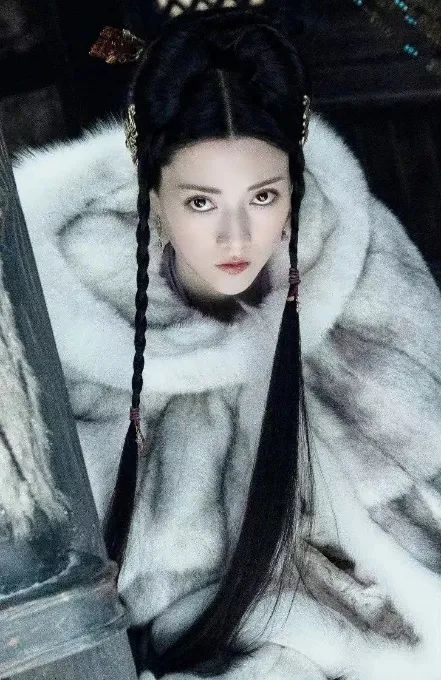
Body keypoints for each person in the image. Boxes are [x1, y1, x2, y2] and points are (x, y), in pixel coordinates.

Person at [13, 5, 441, 680]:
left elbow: (424, 462)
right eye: (201, 202)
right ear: (154, 196)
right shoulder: (75, 313)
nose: (237, 237)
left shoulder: (350, 258)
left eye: (264, 197)